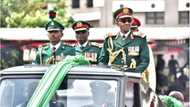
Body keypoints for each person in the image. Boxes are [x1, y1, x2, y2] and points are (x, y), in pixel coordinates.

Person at [99, 7, 149, 73]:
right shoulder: (110, 40)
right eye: (123, 20)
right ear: (117, 22)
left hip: (133, 77)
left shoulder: (140, 39)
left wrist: (134, 72)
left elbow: (145, 61)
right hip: (115, 76)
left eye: (129, 20)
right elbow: (102, 61)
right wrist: (108, 73)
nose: (127, 23)